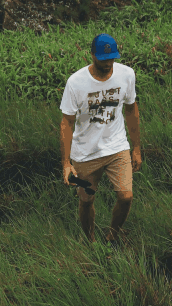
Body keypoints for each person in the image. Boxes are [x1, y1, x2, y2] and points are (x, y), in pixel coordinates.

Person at [59, 33, 143, 249]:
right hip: (85, 154)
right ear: (92, 55)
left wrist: (136, 148)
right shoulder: (76, 82)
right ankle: (91, 242)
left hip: (117, 147)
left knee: (126, 197)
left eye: (112, 58)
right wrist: (66, 164)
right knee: (86, 201)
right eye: (103, 59)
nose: (108, 63)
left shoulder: (127, 74)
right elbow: (66, 123)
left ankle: (112, 238)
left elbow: (131, 109)